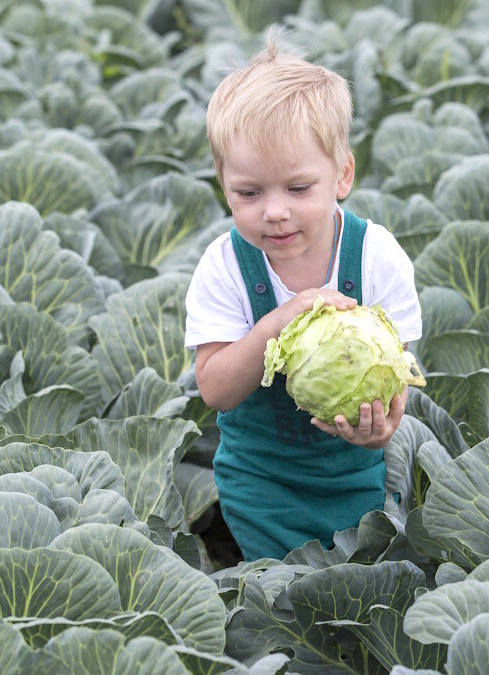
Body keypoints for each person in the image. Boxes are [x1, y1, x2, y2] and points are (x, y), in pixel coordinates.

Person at [183, 35, 423, 561]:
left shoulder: (376, 256)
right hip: (262, 485)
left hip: (358, 478)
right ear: (223, 185)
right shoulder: (225, 267)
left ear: (342, 175)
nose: (274, 212)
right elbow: (216, 390)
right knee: (280, 606)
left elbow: (396, 377)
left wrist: (380, 432)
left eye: (297, 188)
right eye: (249, 193)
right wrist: (278, 323)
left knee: (357, 594)